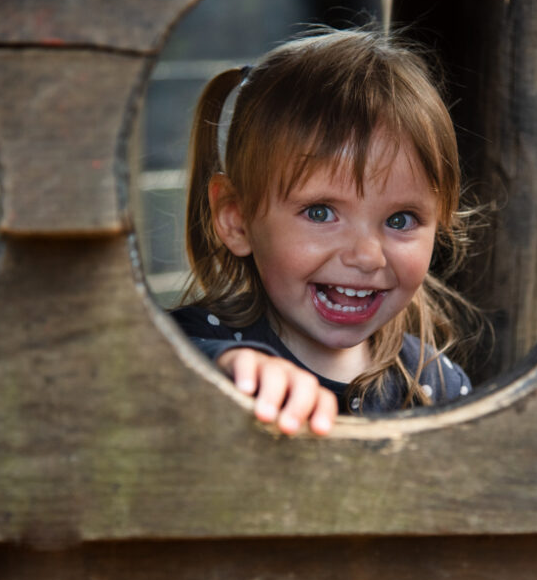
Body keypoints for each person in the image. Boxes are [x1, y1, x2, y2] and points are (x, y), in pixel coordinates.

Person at [171, 27, 479, 436]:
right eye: (320, 212)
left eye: (400, 220)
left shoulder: (436, 386)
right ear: (236, 219)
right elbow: (130, 366)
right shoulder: (189, 340)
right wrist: (228, 367)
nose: (367, 256)